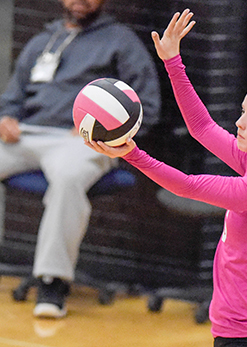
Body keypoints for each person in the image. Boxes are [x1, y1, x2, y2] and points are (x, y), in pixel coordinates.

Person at [86, 9, 247, 347]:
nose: (240, 122)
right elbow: (202, 127)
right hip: (232, 333)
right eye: (243, 112)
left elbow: (189, 185)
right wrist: (173, 61)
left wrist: (131, 154)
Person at [0, 0, 160, 318]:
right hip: (28, 135)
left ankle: (52, 282)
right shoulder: (41, 41)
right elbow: (13, 97)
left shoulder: (121, 41)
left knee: (68, 178)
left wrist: (103, 130)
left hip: (84, 142)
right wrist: (6, 117)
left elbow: (147, 106)